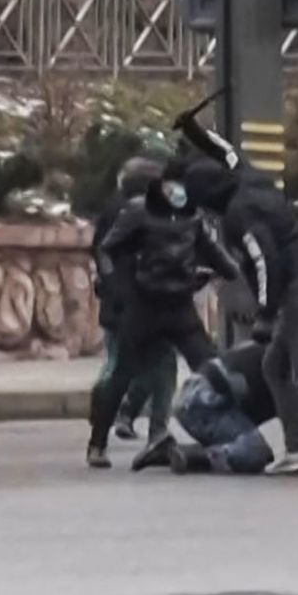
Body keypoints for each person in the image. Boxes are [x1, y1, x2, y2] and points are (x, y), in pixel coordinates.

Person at [179, 112, 298, 479]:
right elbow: (227, 151)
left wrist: (264, 313)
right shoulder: (249, 179)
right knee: (274, 367)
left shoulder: (239, 214)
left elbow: (266, 262)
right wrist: (196, 132)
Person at [86, 159, 239, 469]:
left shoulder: (192, 215)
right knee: (123, 373)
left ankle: (227, 435)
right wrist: (118, 287)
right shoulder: (138, 210)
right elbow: (106, 248)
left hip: (180, 305)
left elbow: (211, 250)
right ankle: (97, 443)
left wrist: (229, 270)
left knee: (212, 368)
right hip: (144, 305)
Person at [137, 338, 298, 476]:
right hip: (203, 402)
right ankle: (186, 455)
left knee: (255, 443)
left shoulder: (285, 354)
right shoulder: (293, 371)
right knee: (255, 452)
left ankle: (169, 451)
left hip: (197, 397)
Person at [91, 156, 178, 443]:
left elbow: (101, 252)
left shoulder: (114, 210)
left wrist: (109, 284)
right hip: (144, 301)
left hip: (122, 301)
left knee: (124, 363)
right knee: (158, 364)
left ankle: (112, 415)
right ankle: (152, 428)